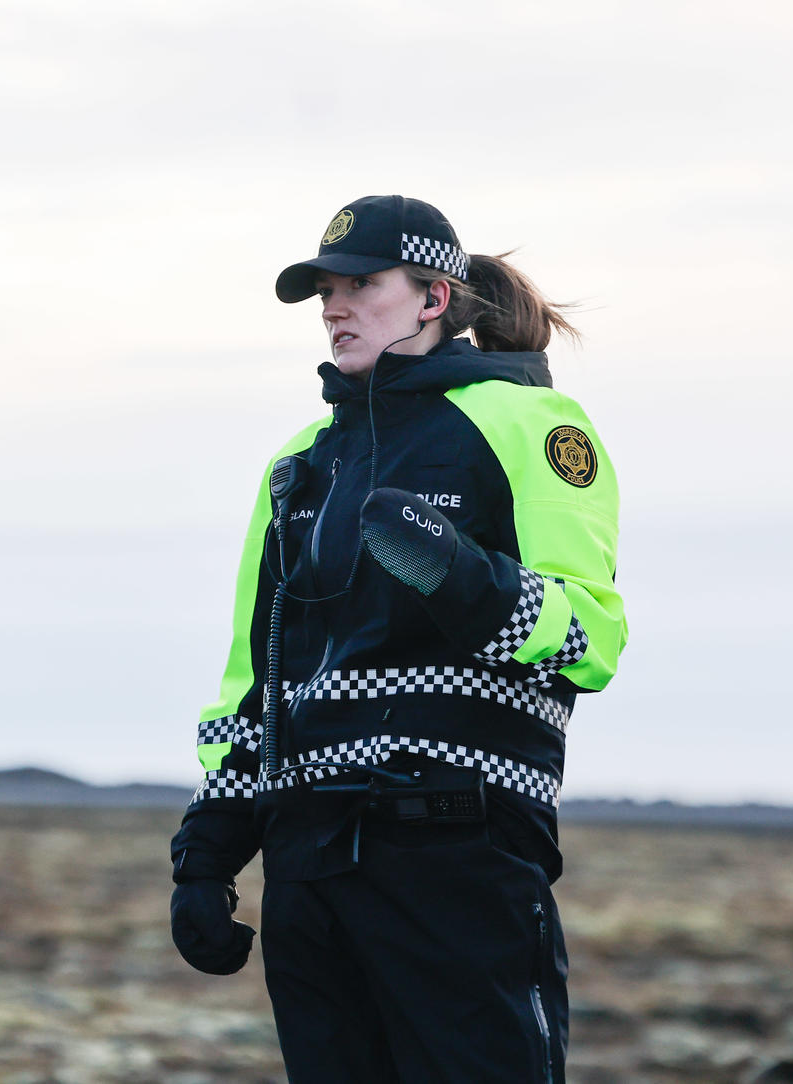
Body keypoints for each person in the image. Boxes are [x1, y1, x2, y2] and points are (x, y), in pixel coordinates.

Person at [168, 195, 626, 1083]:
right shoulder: (299, 462)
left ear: (433, 298)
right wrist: (209, 852)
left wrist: (462, 576)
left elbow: (593, 638)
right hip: (309, 869)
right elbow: (255, 677)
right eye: (324, 290)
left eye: (360, 284)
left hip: (456, 856)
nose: (334, 306)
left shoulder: (534, 426)